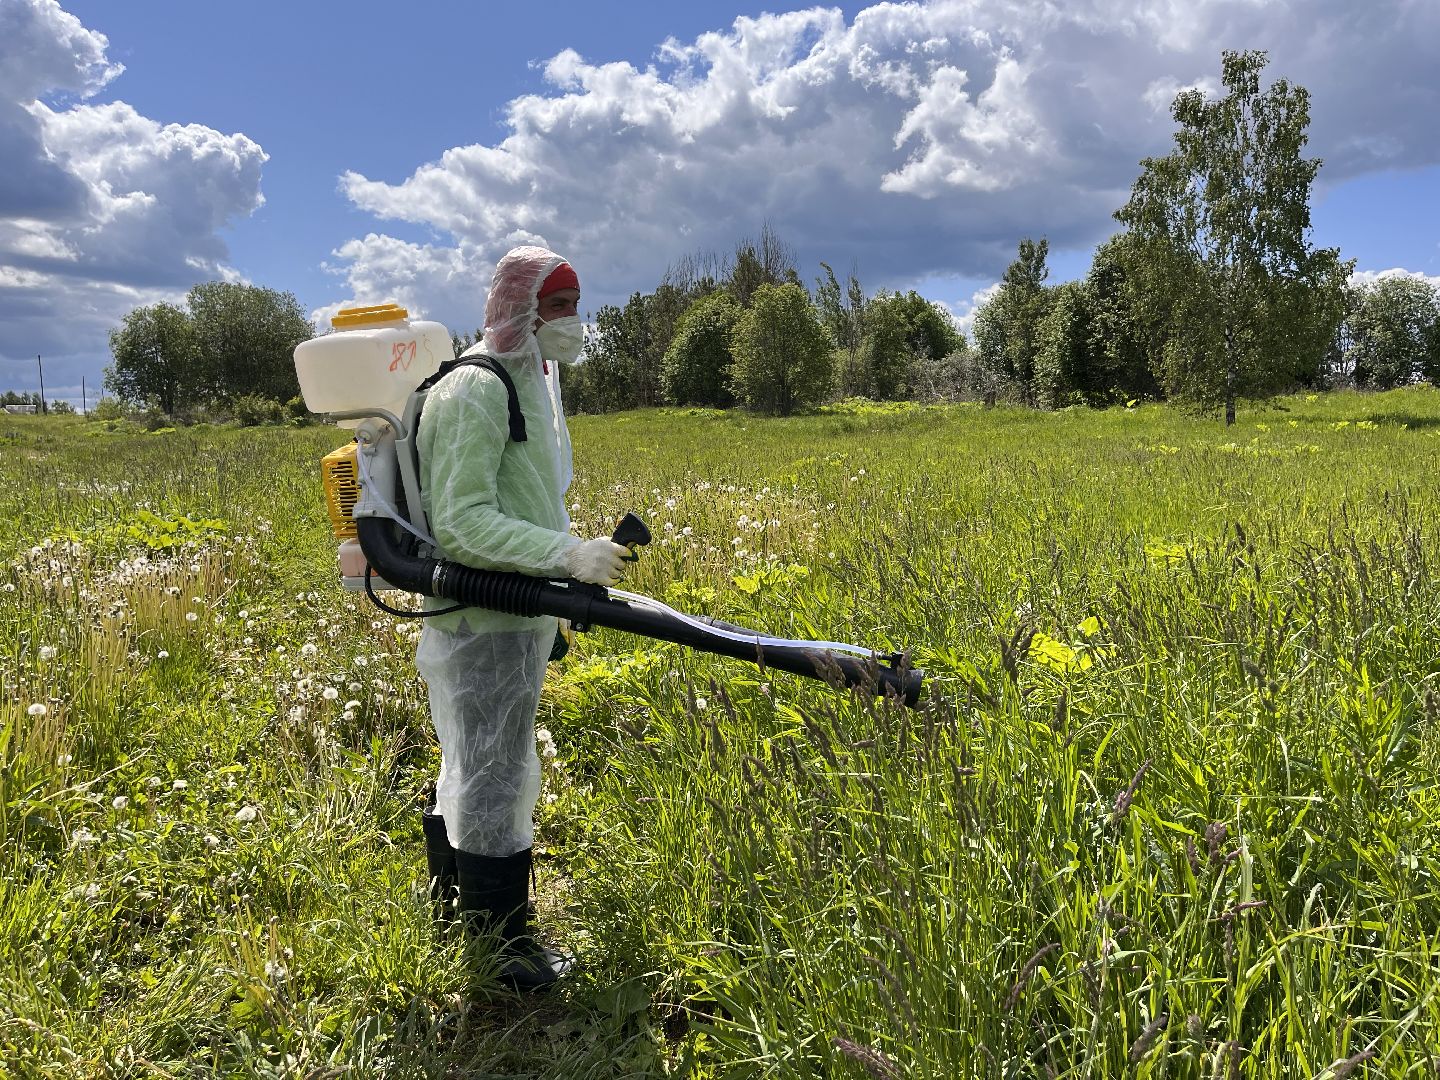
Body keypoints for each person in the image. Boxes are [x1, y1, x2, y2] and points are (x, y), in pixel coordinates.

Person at [414, 245, 628, 992]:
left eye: (575, 305)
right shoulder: (476, 388)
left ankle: (454, 906)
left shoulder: (530, 380)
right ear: (521, 308)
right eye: (557, 306)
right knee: (494, 773)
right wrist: (565, 555)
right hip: (483, 618)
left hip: (520, 609)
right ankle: (501, 947)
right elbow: (462, 521)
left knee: (477, 760)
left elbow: (523, 496)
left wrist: (554, 583)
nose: (572, 320)